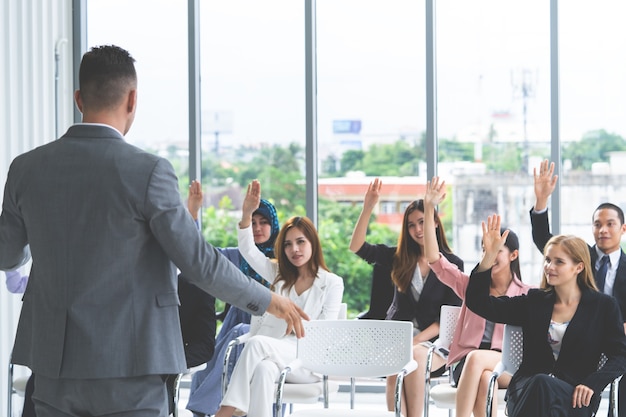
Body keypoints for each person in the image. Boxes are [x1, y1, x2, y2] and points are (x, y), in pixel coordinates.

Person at [0, 45, 308, 417]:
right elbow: (198, 262)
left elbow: (8, 255)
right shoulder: (147, 171)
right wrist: (270, 299)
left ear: (79, 98)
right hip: (132, 363)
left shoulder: (26, 169)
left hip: (53, 362)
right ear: (132, 100)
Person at [466, 214, 626, 417]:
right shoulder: (534, 301)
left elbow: (620, 356)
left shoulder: (603, 307)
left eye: (558, 262)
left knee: (544, 387)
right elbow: (479, 304)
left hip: (575, 395)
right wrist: (488, 257)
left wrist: (592, 383)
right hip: (527, 390)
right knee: (541, 383)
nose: (549, 267)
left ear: (578, 267)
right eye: (548, 260)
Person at [214, 179, 344, 417]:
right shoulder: (278, 274)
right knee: (263, 370)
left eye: (301, 242)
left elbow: (324, 331)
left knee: (255, 343)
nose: (295, 249)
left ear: (313, 243)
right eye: (288, 244)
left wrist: (294, 324)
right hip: (276, 352)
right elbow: (248, 251)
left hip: (308, 360)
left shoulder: (332, 283)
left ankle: (227, 409)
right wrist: (246, 213)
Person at [349, 177, 462, 417]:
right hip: (398, 339)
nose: (417, 229)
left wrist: (415, 341)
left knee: (412, 356)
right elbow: (357, 247)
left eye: (422, 222)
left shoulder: (452, 264)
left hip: (435, 342)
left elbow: (448, 318)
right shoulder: (398, 258)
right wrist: (368, 207)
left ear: (435, 224)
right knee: (396, 366)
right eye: (411, 225)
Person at [423, 177, 533, 417]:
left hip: (507, 365)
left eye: (496, 251)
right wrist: (429, 208)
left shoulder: (526, 294)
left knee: (485, 370)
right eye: (485, 250)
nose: (489, 255)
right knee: (484, 378)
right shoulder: (471, 287)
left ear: (513, 255)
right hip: (467, 363)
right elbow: (434, 258)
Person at [532, 159, 626, 416]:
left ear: (623, 228)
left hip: (616, 335)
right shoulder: (579, 256)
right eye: (597, 224)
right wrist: (541, 203)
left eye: (610, 224)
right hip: (582, 337)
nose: (603, 230)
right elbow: (546, 241)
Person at [186, 180, 281, 417]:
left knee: (240, 334)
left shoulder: (285, 259)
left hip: (271, 330)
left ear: (274, 226)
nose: (258, 228)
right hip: (234, 325)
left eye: (264, 222)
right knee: (209, 363)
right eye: (254, 222)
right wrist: (193, 213)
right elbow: (200, 255)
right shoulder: (235, 256)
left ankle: (220, 409)